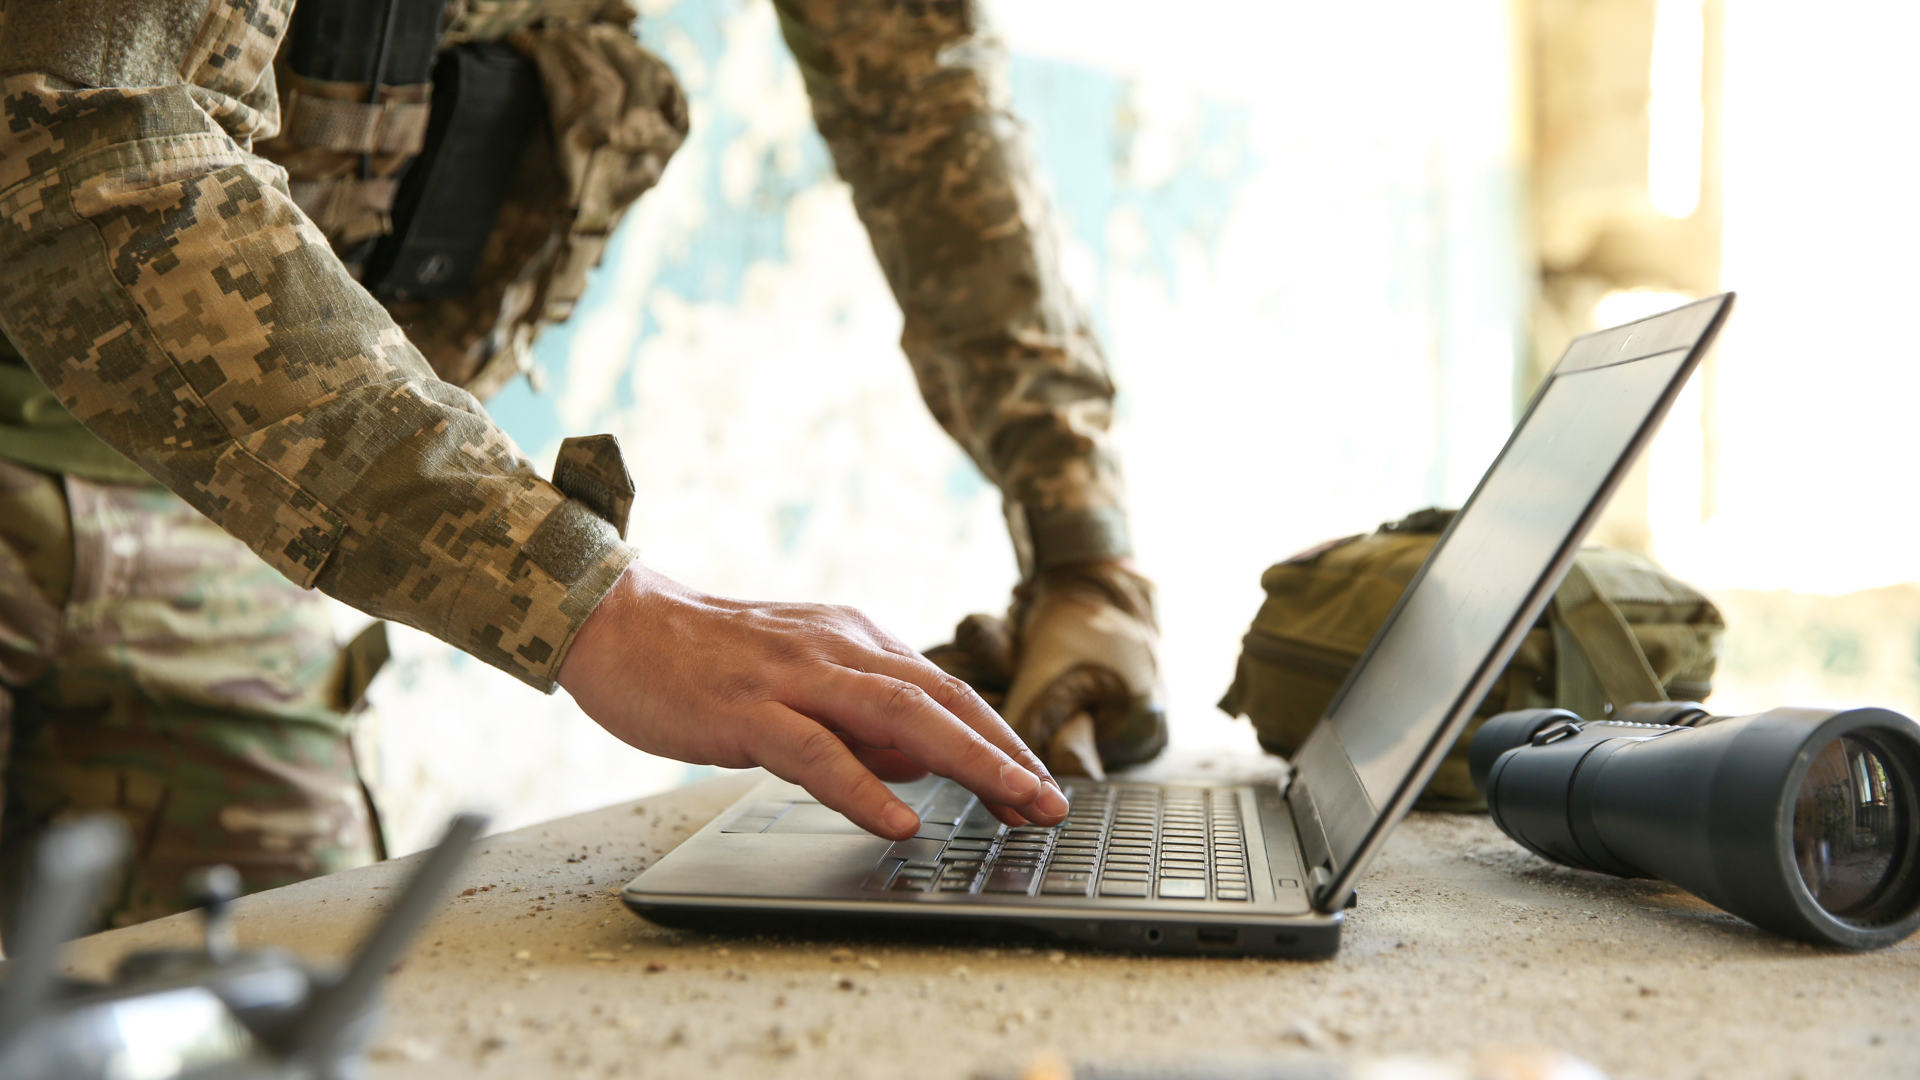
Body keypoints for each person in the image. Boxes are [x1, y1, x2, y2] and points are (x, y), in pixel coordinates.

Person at [0, 0, 1162, 931]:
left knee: (294, 1019)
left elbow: (923, 100)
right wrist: (591, 601)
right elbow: (80, 123)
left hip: (221, 521)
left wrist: (1082, 549)